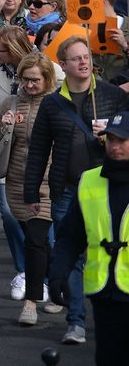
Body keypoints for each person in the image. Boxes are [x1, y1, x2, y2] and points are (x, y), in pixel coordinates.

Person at [24, 36, 129, 344]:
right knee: (72, 254)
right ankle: (76, 321)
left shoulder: (111, 95)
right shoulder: (52, 103)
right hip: (67, 188)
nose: (84, 62)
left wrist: (109, 134)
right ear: (63, 65)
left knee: (110, 251)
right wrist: (32, 192)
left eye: (86, 56)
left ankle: (110, 310)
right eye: (76, 58)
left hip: (108, 187)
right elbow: (39, 150)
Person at [48, 110, 129, 365]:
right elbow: (70, 236)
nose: (115, 146)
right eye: (111, 139)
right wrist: (58, 273)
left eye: (122, 140)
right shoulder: (90, 181)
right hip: (105, 292)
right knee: (108, 358)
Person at [0, 52, 61, 325]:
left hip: (46, 182)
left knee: (35, 239)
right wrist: (4, 126)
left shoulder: (56, 104)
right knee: (40, 241)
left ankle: (31, 302)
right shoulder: (12, 101)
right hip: (17, 180)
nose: (29, 85)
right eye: (25, 79)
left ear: (47, 79)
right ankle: (60, 283)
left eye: (35, 80)